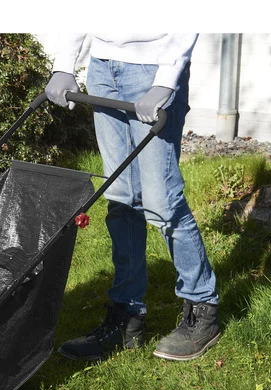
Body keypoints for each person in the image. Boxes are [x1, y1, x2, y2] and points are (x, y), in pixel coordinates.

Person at [45, 34, 221, 362]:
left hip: (153, 67)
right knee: (121, 197)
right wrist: (64, 65)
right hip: (101, 69)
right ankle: (127, 317)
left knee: (162, 202)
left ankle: (202, 309)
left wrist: (167, 79)